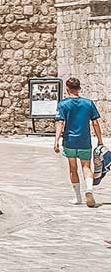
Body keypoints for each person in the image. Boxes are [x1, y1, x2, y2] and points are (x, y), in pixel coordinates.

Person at [55, 77, 103, 208]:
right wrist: (100, 140)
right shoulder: (88, 103)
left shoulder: (63, 104)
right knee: (86, 167)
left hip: (69, 141)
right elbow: (95, 123)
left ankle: (77, 197)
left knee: (73, 168)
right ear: (79, 88)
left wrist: (56, 141)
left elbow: (60, 122)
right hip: (84, 141)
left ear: (67, 89)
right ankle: (89, 190)